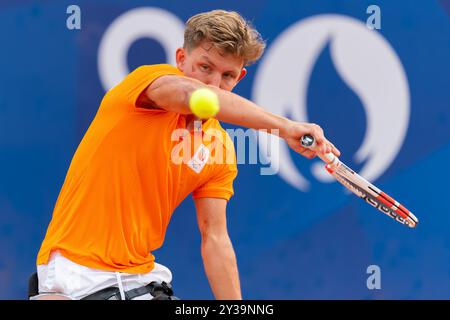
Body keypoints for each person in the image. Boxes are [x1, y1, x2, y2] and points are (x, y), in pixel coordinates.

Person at [32, 9, 340, 300]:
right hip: (78, 272)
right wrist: (284, 127)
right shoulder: (147, 84)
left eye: (227, 76)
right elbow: (196, 96)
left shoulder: (218, 147)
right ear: (181, 59)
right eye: (205, 67)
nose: (214, 83)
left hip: (138, 277)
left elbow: (215, 238)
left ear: (240, 78)